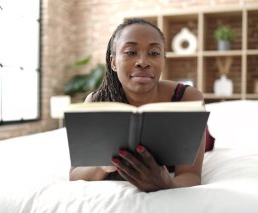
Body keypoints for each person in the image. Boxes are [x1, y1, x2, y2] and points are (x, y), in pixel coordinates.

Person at [69, 18, 208, 192]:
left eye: (154, 53)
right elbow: (75, 175)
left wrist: (168, 184)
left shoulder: (187, 98)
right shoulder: (97, 102)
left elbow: (191, 176)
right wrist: (105, 164)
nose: (143, 61)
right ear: (113, 62)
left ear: (163, 60)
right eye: (130, 52)